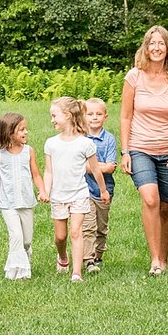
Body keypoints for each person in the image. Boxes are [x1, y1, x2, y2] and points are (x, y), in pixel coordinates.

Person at [119, 25, 168, 276]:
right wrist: (125, 151)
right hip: (140, 148)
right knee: (150, 198)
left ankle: (165, 256)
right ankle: (155, 260)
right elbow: (126, 117)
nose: (157, 48)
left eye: (161, 44)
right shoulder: (134, 77)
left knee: (166, 207)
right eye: (152, 43)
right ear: (145, 47)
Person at [42, 97, 100, 283]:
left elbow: (96, 170)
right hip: (58, 195)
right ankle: (63, 257)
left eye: (54, 115)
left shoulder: (85, 143)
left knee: (76, 231)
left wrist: (103, 191)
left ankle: (77, 273)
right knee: (61, 236)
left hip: (79, 193)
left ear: (67, 115)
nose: (52, 120)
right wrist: (45, 190)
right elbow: (48, 171)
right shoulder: (51, 143)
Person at [0, 111, 42, 279]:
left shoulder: (29, 151)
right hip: (8, 202)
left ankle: (25, 255)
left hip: (26, 201)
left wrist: (42, 190)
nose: (25, 132)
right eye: (21, 130)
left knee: (26, 240)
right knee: (16, 235)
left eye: (25, 129)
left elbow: (36, 174)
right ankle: (15, 271)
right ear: (9, 133)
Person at [82, 97, 120, 274]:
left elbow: (111, 167)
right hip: (84, 190)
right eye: (90, 114)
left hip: (104, 190)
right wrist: (100, 167)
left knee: (101, 227)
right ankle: (88, 260)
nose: (94, 117)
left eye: (98, 114)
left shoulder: (109, 139)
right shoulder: (81, 139)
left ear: (105, 116)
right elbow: (81, 166)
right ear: (83, 116)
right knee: (88, 226)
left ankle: (98, 256)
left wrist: (93, 167)